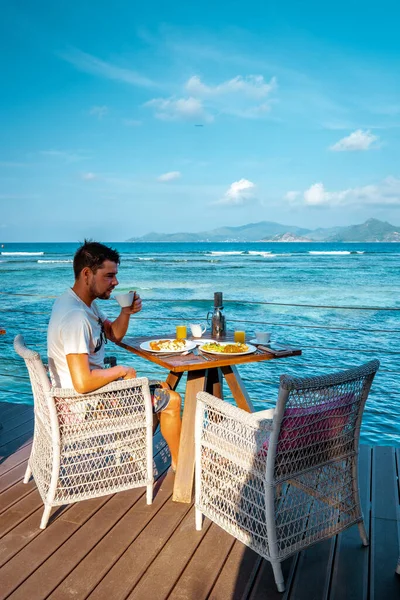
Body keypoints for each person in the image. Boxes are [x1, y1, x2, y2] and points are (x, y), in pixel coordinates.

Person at [47, 240, 181, 470]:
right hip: (84, 407)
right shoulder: (75, 317)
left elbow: (114, 334)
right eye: (109, 276)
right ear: (87, 273)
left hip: (86, 399)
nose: (115, 282)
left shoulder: (84, 305)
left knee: (162, 390)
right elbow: (83, 382)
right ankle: (183, 470)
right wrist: (121, 371)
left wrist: (125, 311)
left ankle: (138, 452)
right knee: (172, 401)